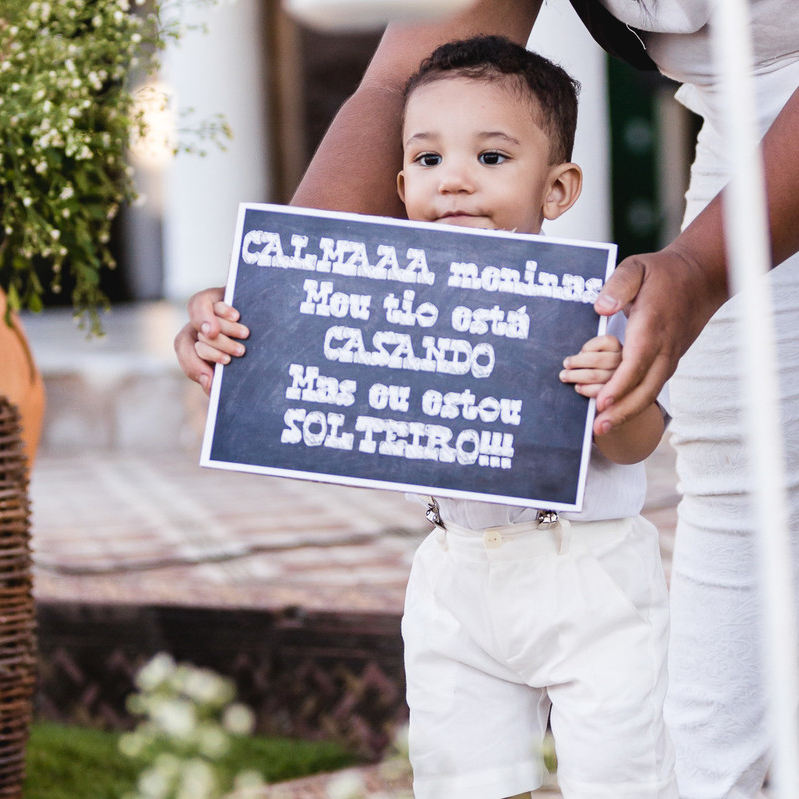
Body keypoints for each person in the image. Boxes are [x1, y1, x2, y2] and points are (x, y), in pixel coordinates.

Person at [176, 1, 799, 796]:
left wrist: (699, 271)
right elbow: (405, 77)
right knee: (739, 457)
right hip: (744, 91)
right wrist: (286, 295)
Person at [191, 35, 678, 797]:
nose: (453, 180)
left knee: (622, 776)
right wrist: (230, 320)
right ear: (400, 182)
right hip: (456, 575)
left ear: (557, 189)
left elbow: (643, 443)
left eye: (491, 159)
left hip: (589, 573)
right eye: (427, 160)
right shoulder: (384, 299)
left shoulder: (591, 301)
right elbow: (288, 350)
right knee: (464, 776)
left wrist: (620, 393)